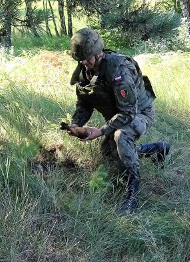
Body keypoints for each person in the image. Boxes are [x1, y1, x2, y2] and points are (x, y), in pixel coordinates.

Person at [66, 28, 170, 214]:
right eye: (80, 59)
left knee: (120, 136)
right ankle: (158, 148)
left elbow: (128, 112)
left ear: (99, 53)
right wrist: (75, 124)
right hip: (119, 115)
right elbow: (84, 104)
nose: (84, 62)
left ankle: (132, 194)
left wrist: (101, 131)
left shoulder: (119, 69)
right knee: (108, 153)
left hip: (138, 113)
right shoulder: (85, 71)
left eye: (87, 57)